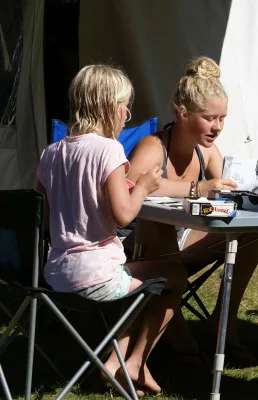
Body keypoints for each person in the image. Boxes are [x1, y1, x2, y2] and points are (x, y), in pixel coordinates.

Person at [36, 64, 189, 394]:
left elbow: (46, 219)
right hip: (97, 279)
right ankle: (129, 361)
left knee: (146, 269)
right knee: (175, 274)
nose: (126, 114)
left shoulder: (50, 154)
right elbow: (123, 216)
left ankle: (127, 361)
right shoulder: (108, 150)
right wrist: (144, 186)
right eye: (125, 106)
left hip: (56, 277)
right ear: (109, 107)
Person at [125, 56, 258, 361]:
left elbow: (229, 192)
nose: (218, 127)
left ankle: (222, 320)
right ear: (182, 113)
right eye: (209, 118)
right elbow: (130, 186)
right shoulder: (153, 147)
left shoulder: (206, 151)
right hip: (140, 246)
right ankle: (177, 332)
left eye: (222, 118)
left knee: (256, 229)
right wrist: (196, 189)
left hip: (184, 240)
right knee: (158, 226)